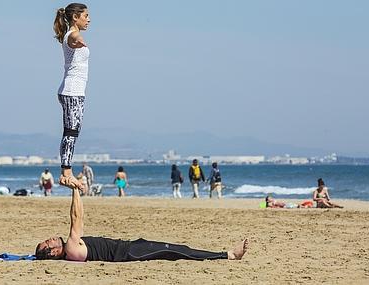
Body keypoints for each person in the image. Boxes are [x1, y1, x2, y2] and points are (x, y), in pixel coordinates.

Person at [35, 186, 249, 262]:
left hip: (131, 247)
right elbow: (76, 217)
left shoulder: (71, 250)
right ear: (53, 253)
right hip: (130, 253)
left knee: (176, 251)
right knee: (178, 251)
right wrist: (75, 189)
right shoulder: (71, 247)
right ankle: (228, 255)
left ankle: (226, 254)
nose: (51, 238)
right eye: (48, 242)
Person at [53, 3, 90, 193]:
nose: (89, 19)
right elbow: (73, 37)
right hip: (71, 91)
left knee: (74, 131)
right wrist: (79, 38)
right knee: (70, 132)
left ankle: (67, 170)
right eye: (86, 15)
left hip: (76, 92)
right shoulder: (71, 35)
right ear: (75, 17)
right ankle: (65, 173)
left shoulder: (70, 35)